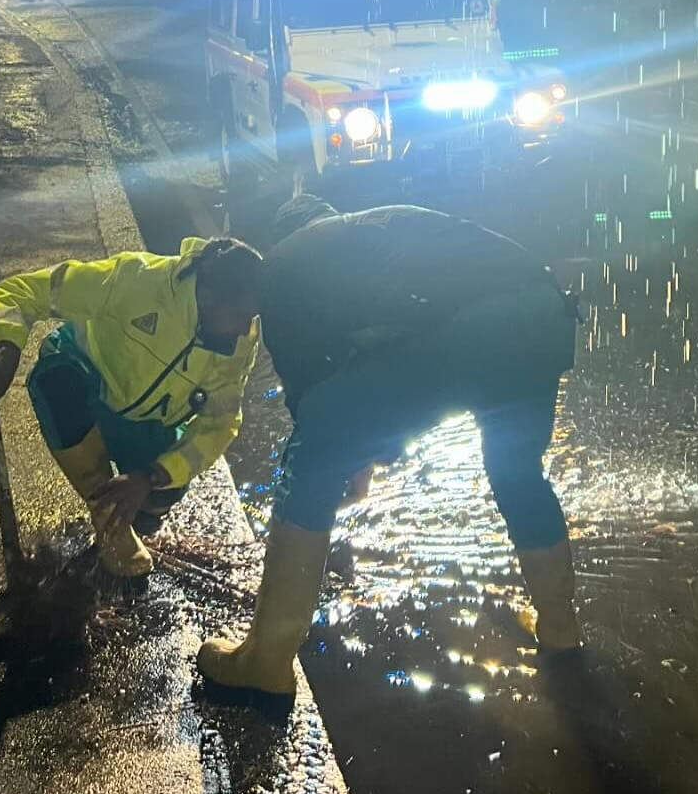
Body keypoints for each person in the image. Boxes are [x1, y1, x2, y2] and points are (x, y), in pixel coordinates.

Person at [198, 195, 582, 697]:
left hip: (469, 331)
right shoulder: (377, 224)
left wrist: (351, 462)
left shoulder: (282, 270)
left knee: (307, 461)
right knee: (517, 476)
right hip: (542, 315)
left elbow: (316, 412)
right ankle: (560, 630)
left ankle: (265, 662)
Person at [0, 237, 264, 580]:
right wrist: (6, 350)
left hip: (144, 422)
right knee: (57, 384)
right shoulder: (137, 279)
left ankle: (131, 514)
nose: (246, 328)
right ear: (210, 296)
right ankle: (108, 519)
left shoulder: (241, 339)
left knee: (160, 498)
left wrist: (151, 475)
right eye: (241, 315)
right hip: (87, 383)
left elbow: (220, 422)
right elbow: (25, 290)